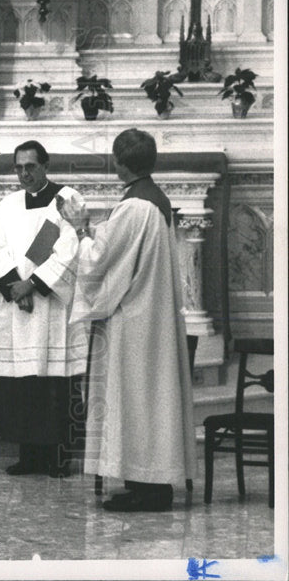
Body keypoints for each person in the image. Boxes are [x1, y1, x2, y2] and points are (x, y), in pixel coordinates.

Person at [59, 128, 196, 512]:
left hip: (134, 321)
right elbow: (121, 247)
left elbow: (99, 260)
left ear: (119, 162)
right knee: (150, 400)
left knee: (136, 400)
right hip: (152, 316)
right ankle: (150, 483)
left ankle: (149, 489)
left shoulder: (135, 207)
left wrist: (80, 228)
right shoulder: (153, 200)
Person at [0, 140, 88, 478]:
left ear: (45, 165)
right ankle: (28, 455)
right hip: (19, 309)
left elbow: (69, 250)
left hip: (52, 309)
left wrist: (34, 284)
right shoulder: (9, 204)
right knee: (23, 386)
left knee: (55, 384)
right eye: (19, 167)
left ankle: (59, 457)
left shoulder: (66, 199)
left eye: (31, 166)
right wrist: (15, 287)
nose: (24, 173)